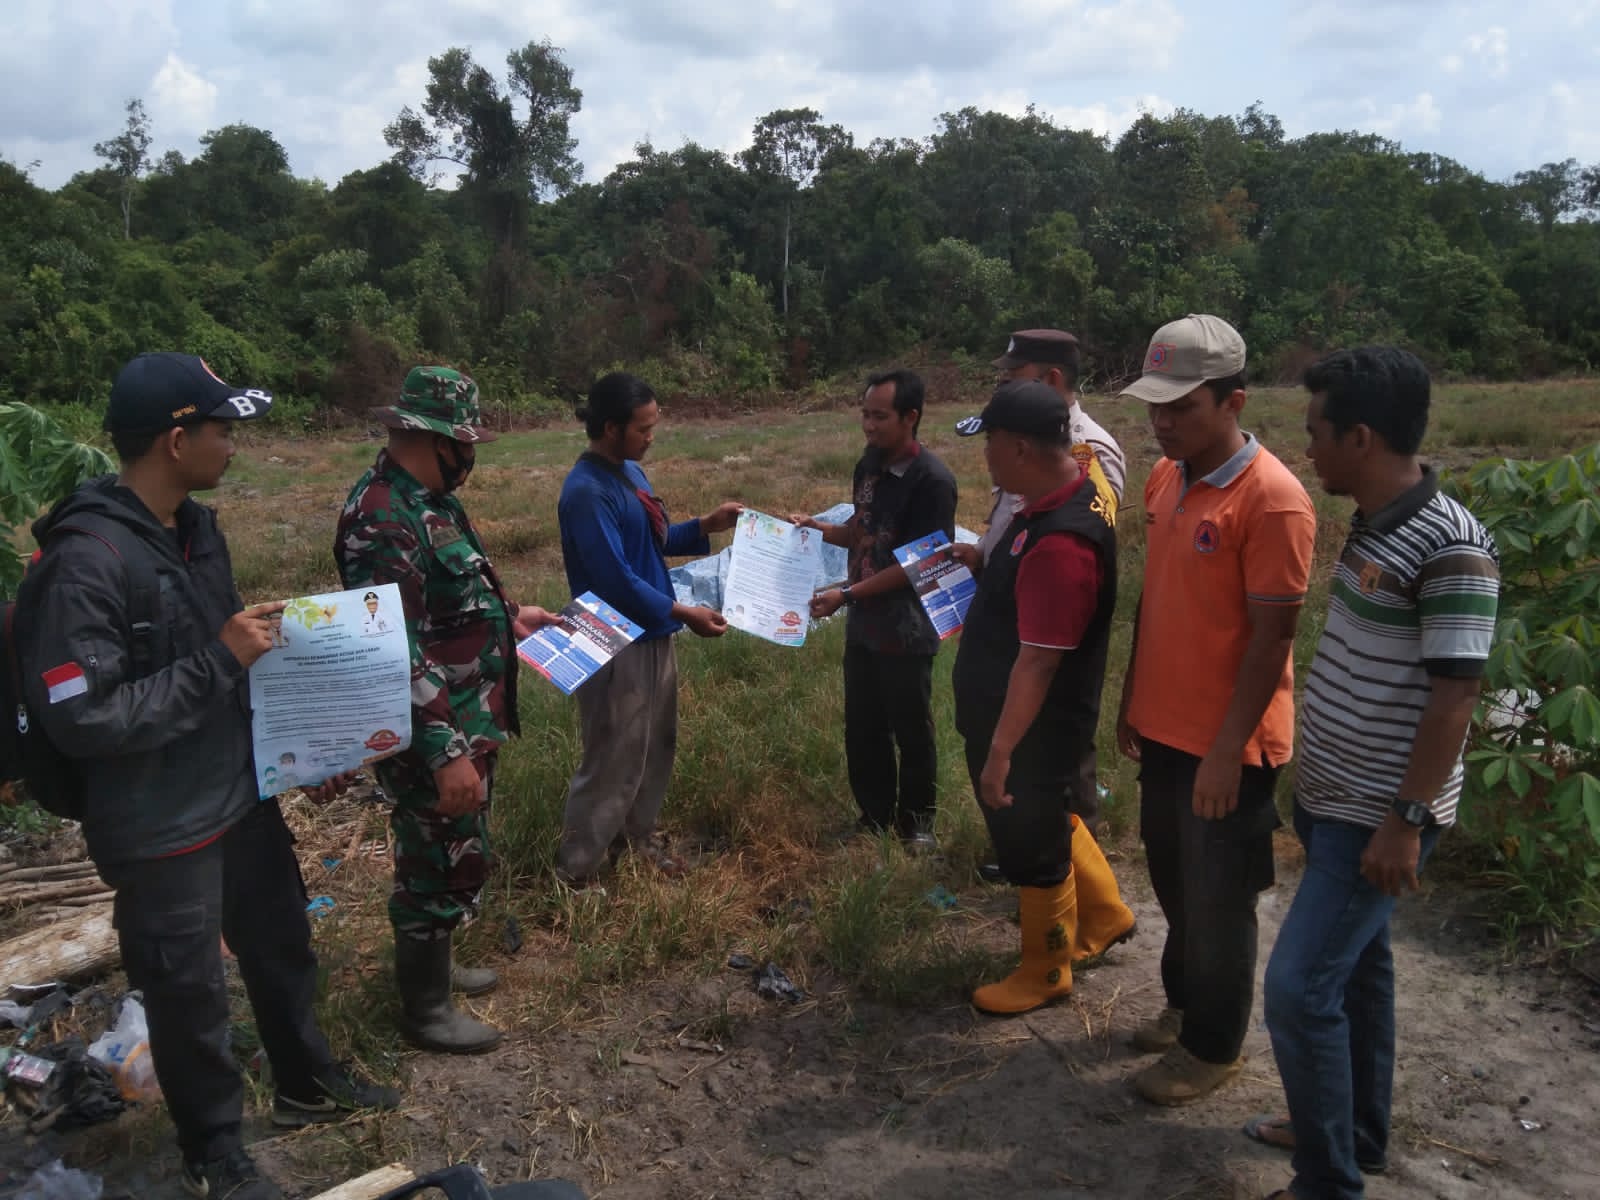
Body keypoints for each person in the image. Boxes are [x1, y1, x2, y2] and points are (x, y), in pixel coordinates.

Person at [18, 353, 397, 1200]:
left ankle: (305, 1084)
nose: (234, 445)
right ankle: (214, 1152)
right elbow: (85, 718)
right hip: (159, 825)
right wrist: (222, 658)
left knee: (283, 948)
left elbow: (232, 670)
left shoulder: (197, 531)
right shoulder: (85, 564)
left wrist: (299, 754)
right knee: (189, 995)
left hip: (238, 795)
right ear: (176, 438)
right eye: (223, 430)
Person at [1253, 348, 1499, 1200]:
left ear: (1360, 436)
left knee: (1295, 991)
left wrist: (1407, 820)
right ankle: (1354, 1129)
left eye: (1315, 433)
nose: (1306, 449)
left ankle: (1327, 1181)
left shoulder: (1455, 547)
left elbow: (1456, 700)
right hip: (1332, 796)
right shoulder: (1374, 518)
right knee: (1358, 972)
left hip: (1376, 814)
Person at [1115, 314, 1317, 1106]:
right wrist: (1133, 697)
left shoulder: (1273, 501)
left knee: (1220, 896)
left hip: (1227, 744)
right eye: (1154, 406)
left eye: (1182, 407)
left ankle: (1213, 1044)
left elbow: (1271, 643)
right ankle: (1183, 1000)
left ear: (1233, 400)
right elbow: (1156, 604)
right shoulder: (1168, 478)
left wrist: (1229, 749)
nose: (1162, 422)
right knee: (1171, 878)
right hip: (1164, 727)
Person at [336, 365, 562, 1055]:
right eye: (466, 444)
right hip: (431, 730)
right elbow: (391, 649)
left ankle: (439, 965)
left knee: (455, 847)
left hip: (465, 713)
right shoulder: (383, 517)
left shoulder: (426, 499)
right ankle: (424, 1011)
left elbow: (444, 599)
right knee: (430, 855)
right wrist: (444, 751)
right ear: (435, 439)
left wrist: (510, 615)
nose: (471, 458)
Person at [953, 327, 1135, 962]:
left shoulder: (1062, 536)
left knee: (1032, 841)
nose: (987, 463)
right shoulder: (1059, 487)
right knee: (1050, 817)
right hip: (1021, 709)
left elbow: (1039, 657)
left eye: (992, 447)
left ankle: (1046, 967)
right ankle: (1106, 912)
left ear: (1023, 448)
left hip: (1030, 722)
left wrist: (999, 753)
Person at [554, 372, 743, 885]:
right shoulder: (587, 493)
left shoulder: (630, 475)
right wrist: (686, 613)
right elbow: (616, 580)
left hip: (653, 632)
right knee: (613, 754)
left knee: (654, 743)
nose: (651, 437)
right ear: (611, 428)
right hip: (612, 639)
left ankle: (636, 838)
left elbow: (651, 543)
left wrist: (705, 525)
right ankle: (578, 870)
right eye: (643, 428)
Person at [798, 369, 958, 850]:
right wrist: (817, 528)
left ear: (910, 417)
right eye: (865, 414)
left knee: (911, 727)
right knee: (863, 725)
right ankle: (873, 817)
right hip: (865, 624)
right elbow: (864, 530)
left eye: (879, 416)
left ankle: (917, 823)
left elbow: (921, 564)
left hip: (906, 628)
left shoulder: (933, 481)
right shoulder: (867, 466)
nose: (868, 425)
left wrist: (846, 595)